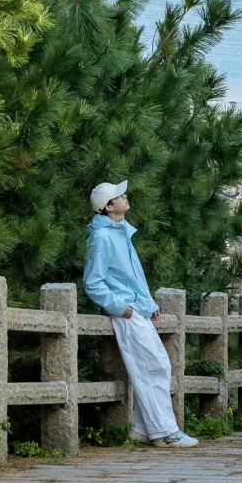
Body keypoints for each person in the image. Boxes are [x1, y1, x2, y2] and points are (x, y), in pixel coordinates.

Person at [83, 180, 198, 448]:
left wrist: (148, 305)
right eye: (119, 196)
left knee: (155, 365)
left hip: (135, 310)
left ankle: (143, 429)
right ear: (108, 206)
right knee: (153, 366)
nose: (125, 197)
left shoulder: (120, 231)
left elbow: (133, 278)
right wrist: (123, 308)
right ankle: (164, 433)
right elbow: (93, 282)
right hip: (125, 312)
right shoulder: (101, 237)